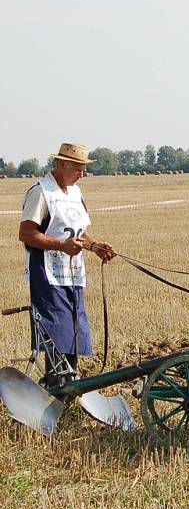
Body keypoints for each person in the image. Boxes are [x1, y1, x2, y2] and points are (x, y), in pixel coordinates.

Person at [18, 143, 116, 379]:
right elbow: (26, 234)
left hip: (73, 273)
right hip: (47, 275)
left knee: (74, 328)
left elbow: (79, 233)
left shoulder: (75, 193)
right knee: (56, 328)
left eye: (83, 169)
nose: (82, 174)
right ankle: (57, 381)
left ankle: (70, 379)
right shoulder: (41, 192)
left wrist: (94, 247)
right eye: (78, 169)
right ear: (62, 165)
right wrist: (61, 246)